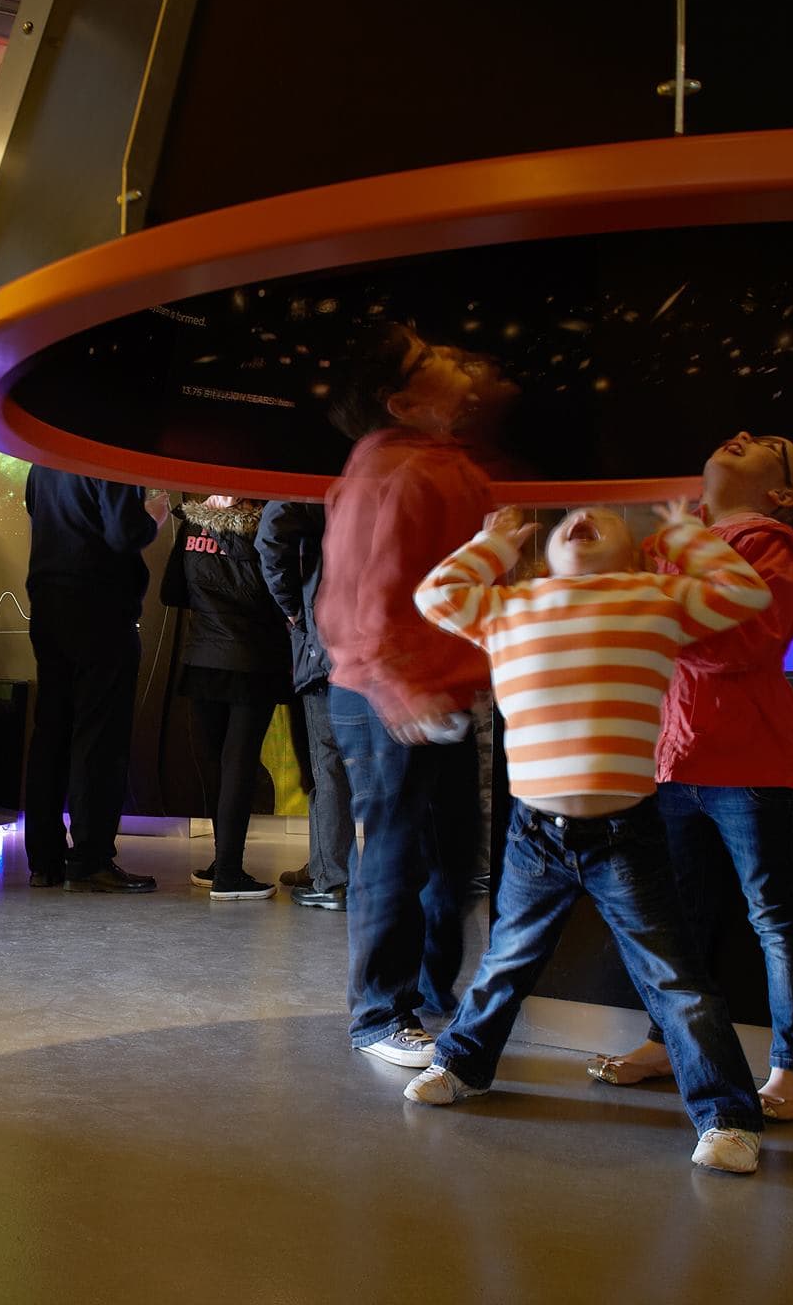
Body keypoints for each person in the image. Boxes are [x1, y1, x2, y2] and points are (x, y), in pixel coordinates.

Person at [401, 502, 775, 1176]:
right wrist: (489, 544)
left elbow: (746, 592)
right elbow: (436, 595)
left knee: (676, 982)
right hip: (533, 834)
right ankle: (463, 1064)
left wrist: (687, 535)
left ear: (635, 553)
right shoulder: (512, 604)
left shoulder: (656, 597)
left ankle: (726, 1116)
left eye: (605, 514)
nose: (587, 516)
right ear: (548, 554)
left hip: (623, 835)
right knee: (506, 961)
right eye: (577, 512)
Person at [588, 433, 793, 1122]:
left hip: (750, 764)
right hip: (674, 761)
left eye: (764, 446)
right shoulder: (676, 542)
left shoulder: (766, 541)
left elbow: (739, 639)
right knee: (678, 916)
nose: (741, 436)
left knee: (774, 917)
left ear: (781, 495)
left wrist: (655, 614)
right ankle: (668, 1044)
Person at [313, 328, 493, 1069]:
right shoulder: (391, 473)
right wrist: (399, 688)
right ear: (404, 402)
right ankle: (378, 1014)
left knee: (453, 852)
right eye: (428, 360)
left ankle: (428, 995)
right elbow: (356, 599)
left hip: (436, 689)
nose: (452, 356)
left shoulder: (449, 465)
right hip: (388, 694)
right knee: (394, 851)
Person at [23, 467, 169, 892]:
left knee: (51, 732)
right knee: (99, 737)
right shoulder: (105, 457)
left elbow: (38, 513)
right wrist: (154, 515)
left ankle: (44, 860)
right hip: (100, 605)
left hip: (48, 603)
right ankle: (90, 860)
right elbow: (125, 533)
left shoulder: (41, 461)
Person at [162, 495, 291, 899]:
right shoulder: (266, 527)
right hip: (252, 660)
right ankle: (230, 873)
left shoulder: (192, 526)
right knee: (239, 767)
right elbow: (276, 591)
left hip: (202, 661)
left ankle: (222, 862)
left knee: (219, 766)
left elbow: (171, 591)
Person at [256, 499, 349, 909]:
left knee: (326, 765)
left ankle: (333, 879)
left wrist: (295, 607)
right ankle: (324, 865)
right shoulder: (390, 466)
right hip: (381, 640)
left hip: (329, 641)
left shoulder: (309, 472)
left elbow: (271, 535)